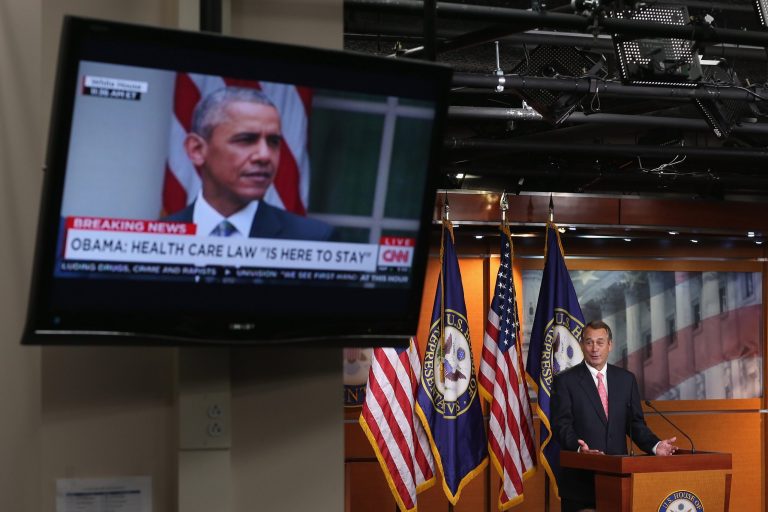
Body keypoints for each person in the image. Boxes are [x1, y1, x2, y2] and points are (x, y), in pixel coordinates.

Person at [165, 86, 334, 241]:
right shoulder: (157, 237)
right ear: (197, 149)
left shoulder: (313, 239)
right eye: (246, 140)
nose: (264, 155)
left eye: (273, 142)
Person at [551, 320, 678, 512]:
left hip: (619, 482)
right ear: (582, 344)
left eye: (600, 342)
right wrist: (579, 449)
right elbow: (562, 425)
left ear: (610, 345)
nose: (595, 348)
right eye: (589, 342)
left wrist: (655, 445)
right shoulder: (565, 381)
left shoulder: (626, 380)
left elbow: (635, 425)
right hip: (580, 483)